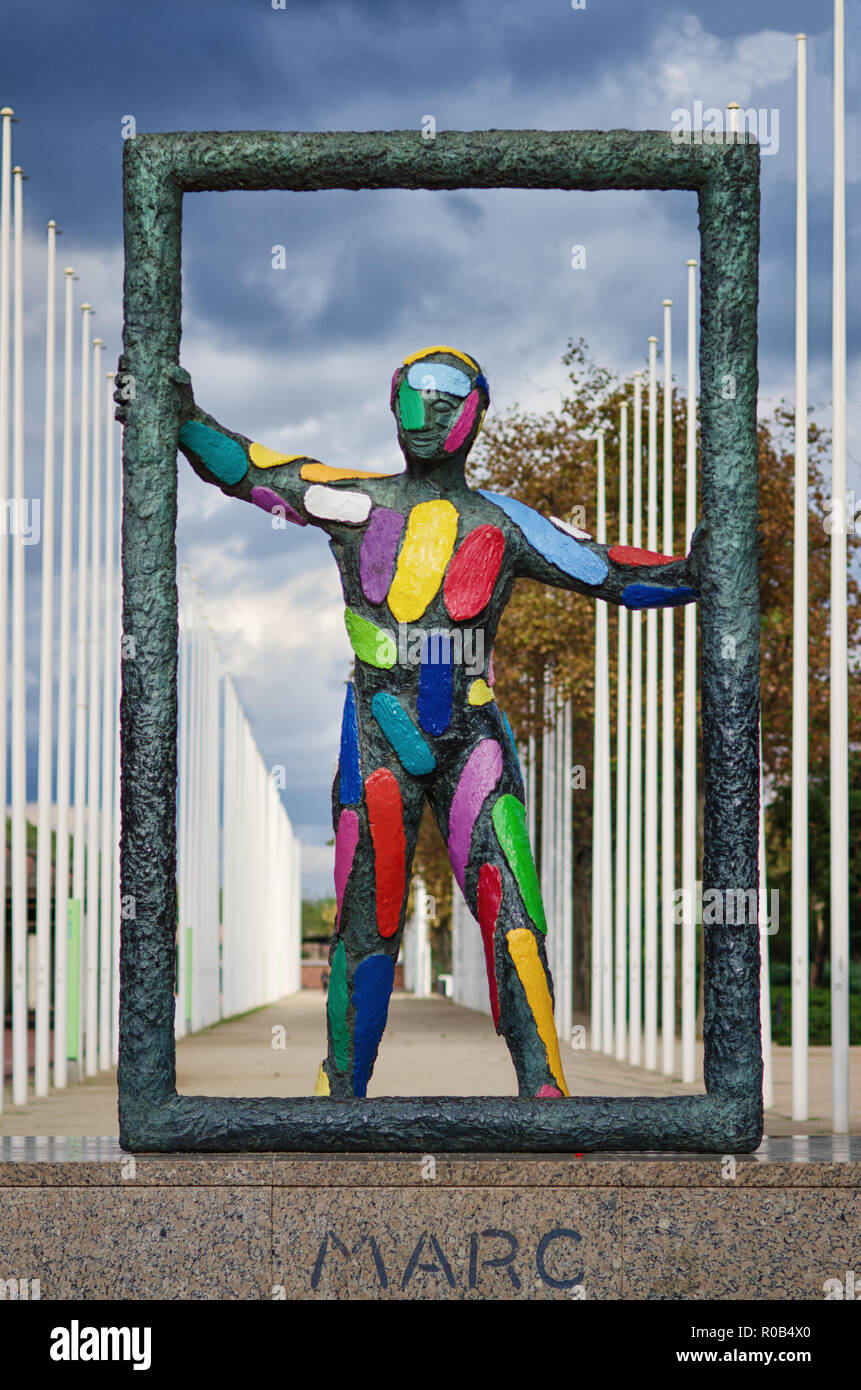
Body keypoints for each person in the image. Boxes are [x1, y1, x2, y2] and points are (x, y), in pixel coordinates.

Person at [120, 345, 702, 1101]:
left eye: (445, 397)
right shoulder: (355, 501)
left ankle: (547, 1098)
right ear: (393, 404)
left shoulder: (502, 523)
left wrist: (694, 573)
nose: (425, 414)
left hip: (471, 739)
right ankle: (342, 1102)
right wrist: (183, 419)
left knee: (513, 915)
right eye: (411, 395)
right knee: (367, 923)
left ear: (475, 412)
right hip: (377, 733)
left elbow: (606, 571)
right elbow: (252, 472)